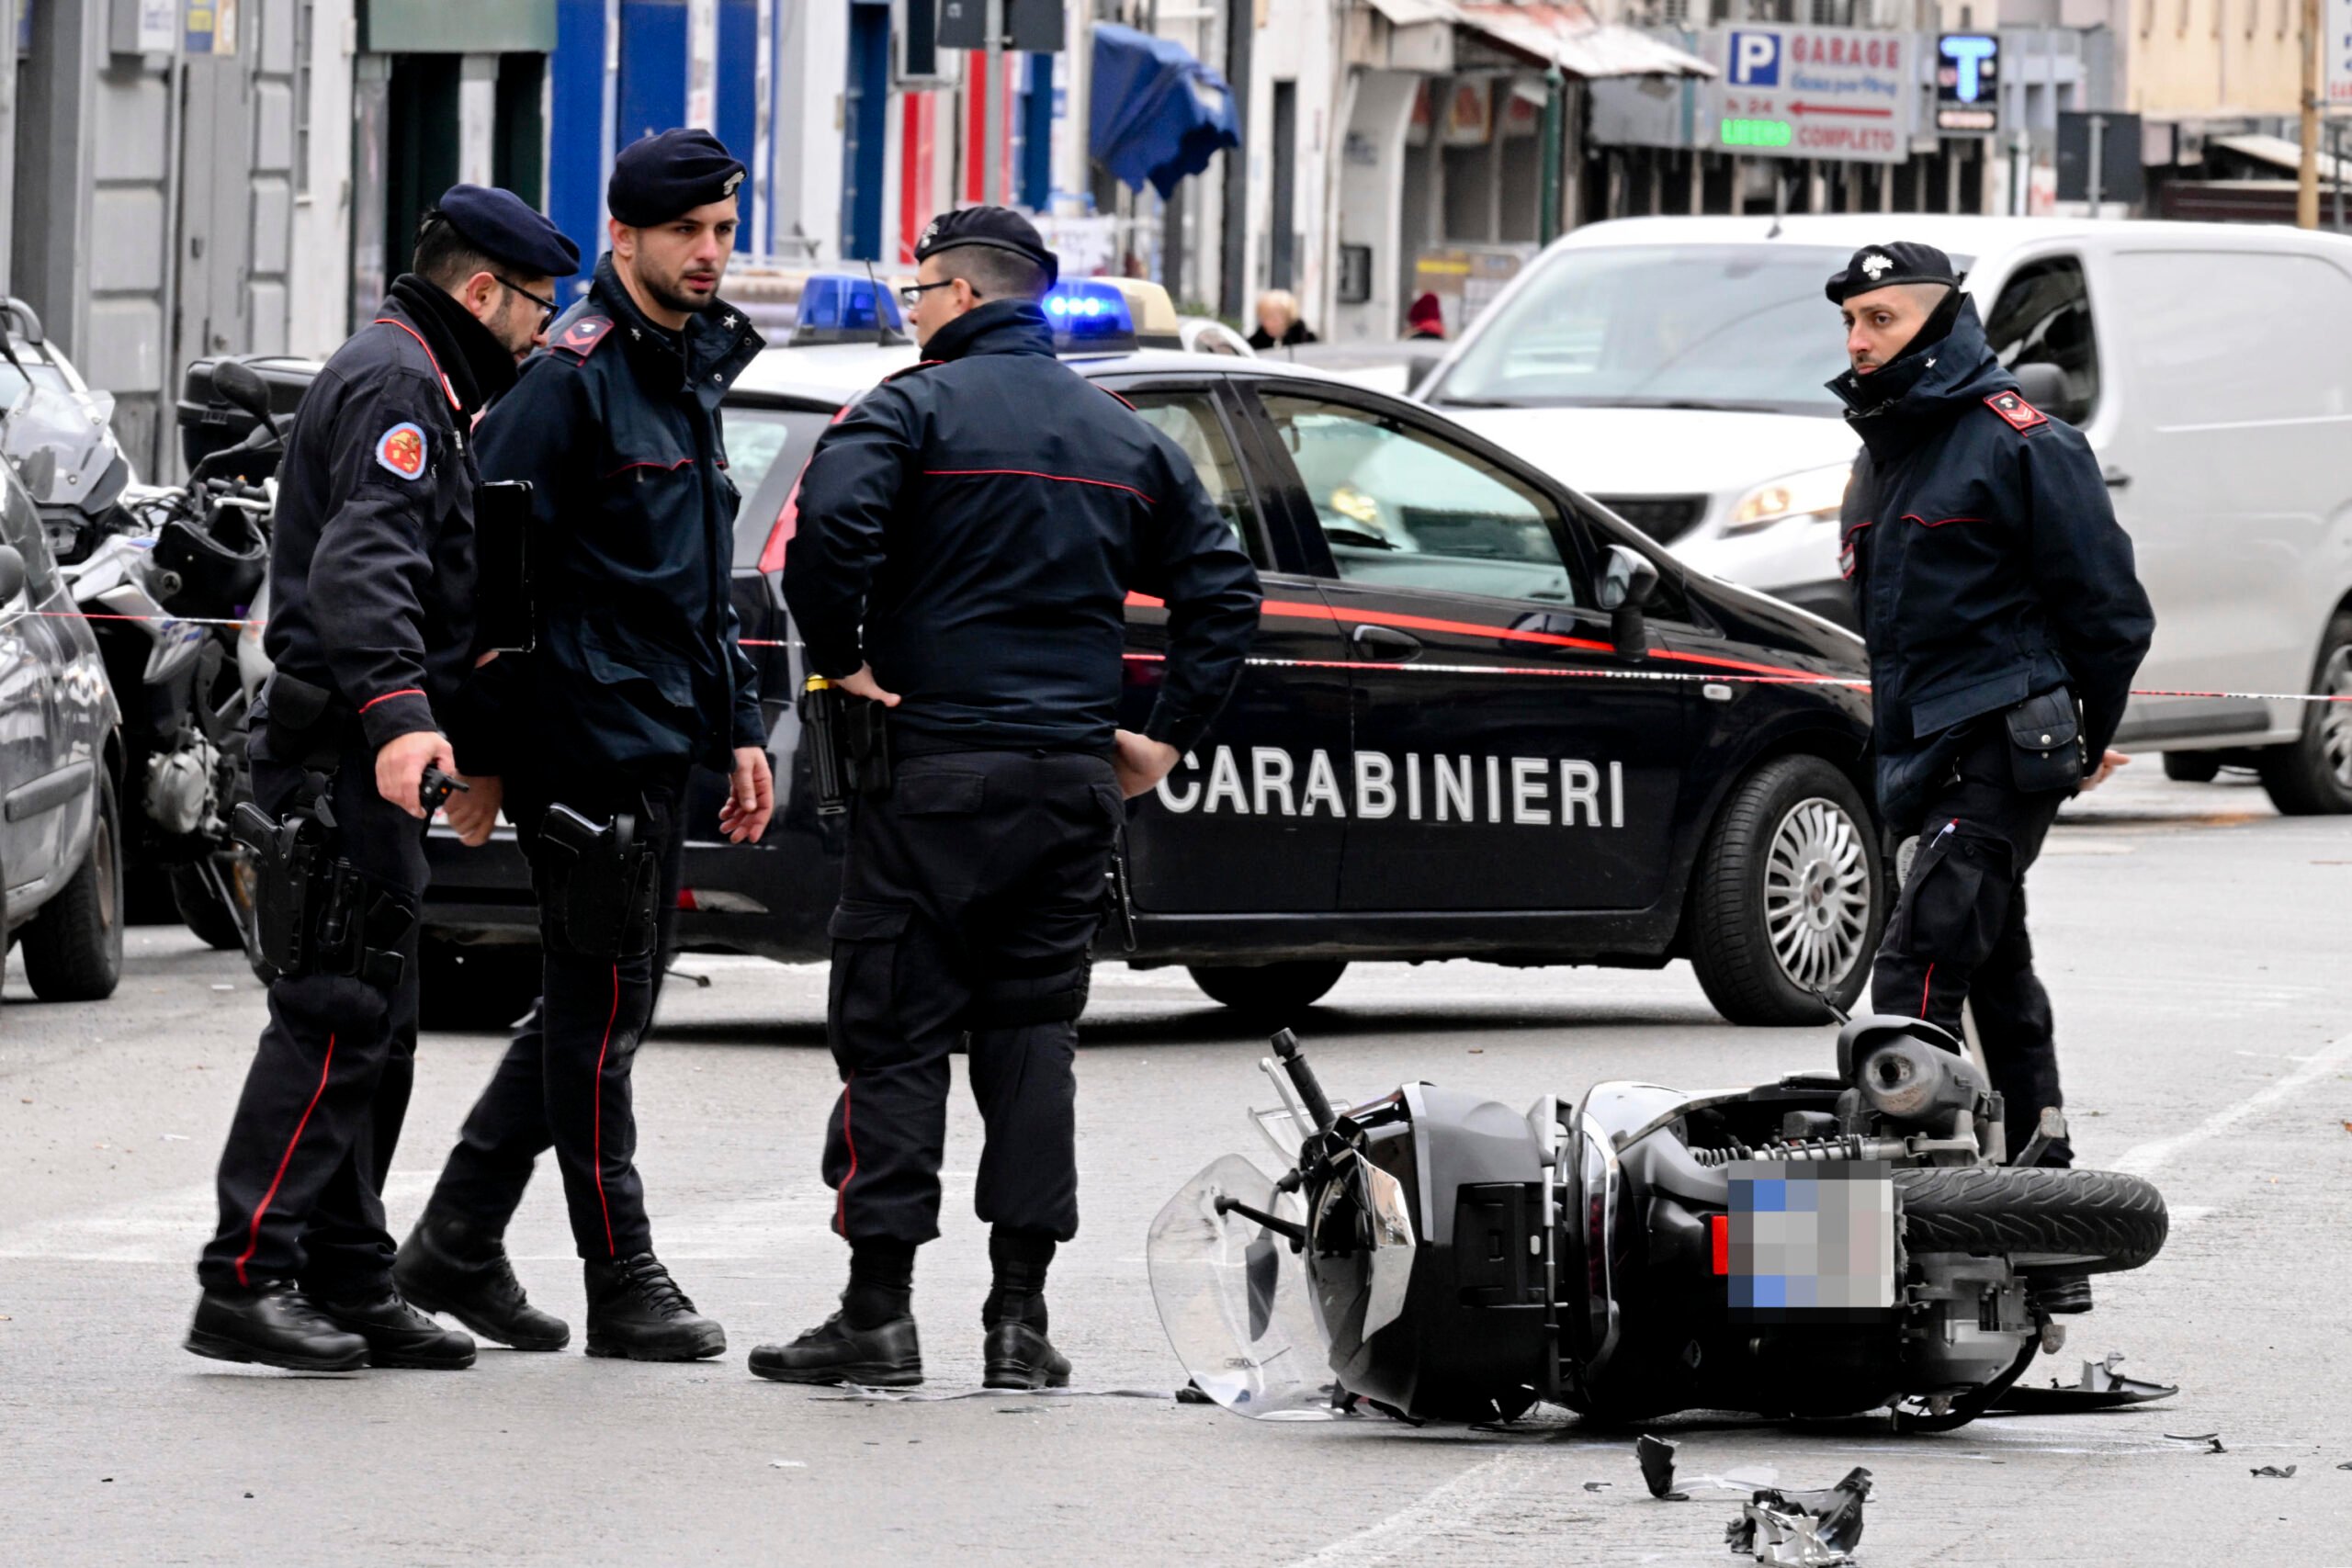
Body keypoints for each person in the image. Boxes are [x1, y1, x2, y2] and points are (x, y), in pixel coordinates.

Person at [752, 207, 1261, 1390]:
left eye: (919, 289)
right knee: (1033, 1040)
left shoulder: (908, 409)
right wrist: (1160, 741)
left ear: (966, 296)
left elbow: (828, 531)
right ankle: (1019, 1327)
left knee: (894, 1033)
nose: (910, 308)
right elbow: (1222, 595)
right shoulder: (1120, 434)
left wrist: (843, 655)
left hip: (930, 773)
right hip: (1068, 786)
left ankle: (877, 1314)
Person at [391, 130, 775, 1363]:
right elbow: (482, 579)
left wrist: (742, 728)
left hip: (661, 731)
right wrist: (485, 751)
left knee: (595, 1001)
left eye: (722, 231)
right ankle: (622, 1271)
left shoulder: (684, 367)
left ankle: (456, 1233)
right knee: (603, 1013)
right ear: (627, 237)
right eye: (689, 234)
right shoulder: (573, 375)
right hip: (584, 739)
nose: (711, 253)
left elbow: (695, 585)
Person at [187, 187, 577, 1372]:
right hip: (341, 755)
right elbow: (367, 570)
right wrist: (403, 722)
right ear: (480, 291)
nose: (541, 335)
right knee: (336, 1015)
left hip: (364, 757)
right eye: (535, 310)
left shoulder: (418, 377)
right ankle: (245, 1278)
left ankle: (349, 1274)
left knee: (379, 1024)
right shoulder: (403, 388)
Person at [1826, 242, 2154, 1314]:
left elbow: (2109, 614)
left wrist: (2073, 742)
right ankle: (2047, 1228)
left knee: (1917, 972)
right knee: (1996, 976)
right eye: (1851, 322)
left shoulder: (2021, 443)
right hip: (1916, 753)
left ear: (1936, 319)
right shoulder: (1883, 450)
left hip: (1998, 748)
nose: (1858, 340)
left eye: (1879, 318)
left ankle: (1866, 1257)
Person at [1248, 288, 1318, 350]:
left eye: (1274, 319)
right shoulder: (1253, 345)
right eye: (1264, 318)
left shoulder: (1307, 342)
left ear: (1288, 317)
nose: (1268, 323)